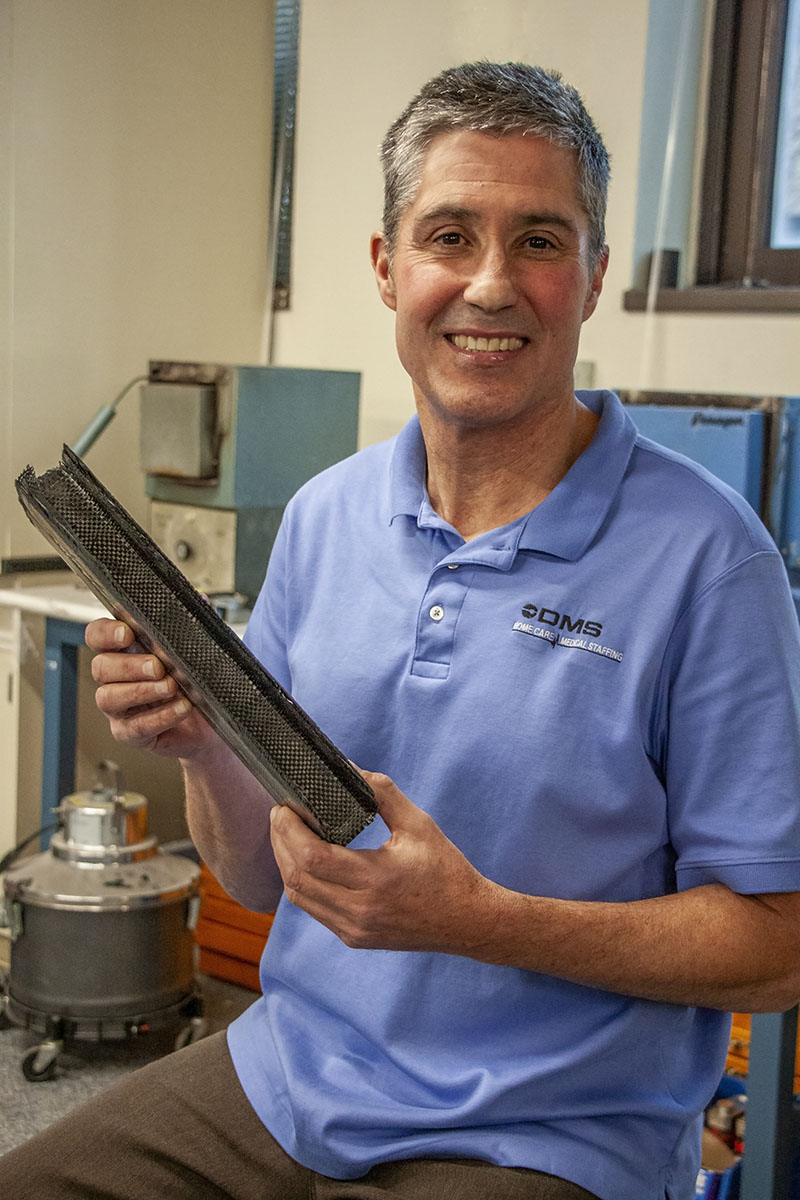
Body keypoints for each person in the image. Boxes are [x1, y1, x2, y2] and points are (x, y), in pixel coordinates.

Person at [3, 61, 800, 1200]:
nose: (488, 284)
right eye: (447, 235)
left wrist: (478, 922)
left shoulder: (710, 559)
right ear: (387, 267)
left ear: (593, 275)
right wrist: (198, 745)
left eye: (537, 239)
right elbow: (260, 884)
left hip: (541, 1136)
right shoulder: (327, 517)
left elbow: (772, 953)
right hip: (287, 1077)